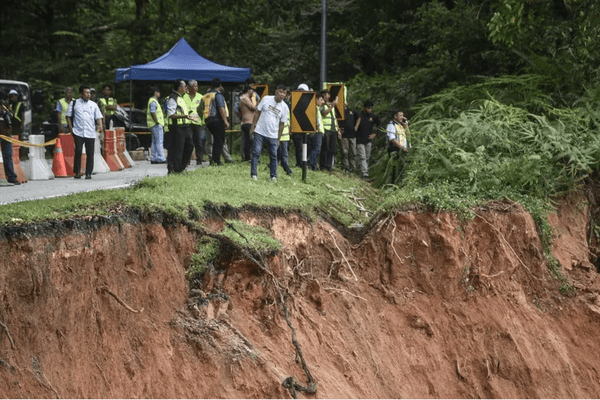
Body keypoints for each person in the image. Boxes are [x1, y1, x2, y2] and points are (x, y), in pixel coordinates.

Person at [250, 84, 289, 182]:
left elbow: (282, 124)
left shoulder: (284, 107)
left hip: (273, 134)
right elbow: (257, 112)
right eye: (280, 92)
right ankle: (254, 174)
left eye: (284, 93)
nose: (282, 95)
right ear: (276, 92)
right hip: (260, 131)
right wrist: (252, 126)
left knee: (273, 155)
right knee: (256, 152)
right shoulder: (266, 99)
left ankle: (273, 176)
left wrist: (279, 139)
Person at [66, 85, 103, 179]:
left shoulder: (93, 104)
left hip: (90, 132)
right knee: (78, 151)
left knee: (90, 153)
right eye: (86, 93)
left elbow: (98, 117)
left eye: (89, 93)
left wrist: (100, 126)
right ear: (81, 94)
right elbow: (68, 116)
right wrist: (70, 128)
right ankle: (77, 172)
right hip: (78, 131)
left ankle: (88, 173)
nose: (88, 95)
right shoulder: (74, 103)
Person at [166, 79, 196, 173]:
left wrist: (188, 116)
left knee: (189, 146)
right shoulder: (172, 98)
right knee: (178, 149)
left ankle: (181, 167)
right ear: (179, 88)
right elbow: (171, 114)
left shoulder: (182, 98)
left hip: (185, 126)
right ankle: (174, 169)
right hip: (177, 127)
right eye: (184, 86)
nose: (186, 88)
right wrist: (185, 116)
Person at [204, 78, 230, 166]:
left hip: (208, 120)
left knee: (215, 140)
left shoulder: (206, 95)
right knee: (219, 140)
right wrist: (225, 121)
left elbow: (200, 109)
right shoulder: (218, 95)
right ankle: (216, 160)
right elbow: (221, 108)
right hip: (217, 120)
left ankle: (213, 159)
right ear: (220, 86)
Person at [355, 100, 380, 180]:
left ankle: (364, 172)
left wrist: (375, 134)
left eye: (371, 108)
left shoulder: (373, 116)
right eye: (368, 108)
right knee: (362, 156)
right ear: (365, 108)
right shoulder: (359, 115)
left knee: (367, 157)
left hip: (368, 139)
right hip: (359, 139)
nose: (370, 110)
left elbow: (380, 126)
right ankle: (364, 173)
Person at [184, 79, 206, 165]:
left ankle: (199, 159)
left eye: (197, 86)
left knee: (199, 142)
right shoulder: (184, 96)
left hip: (197, 122)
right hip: (188, 122)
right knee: (188, 142)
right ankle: (187, 160)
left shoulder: (200, 97)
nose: (197, 87)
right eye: (194, 86)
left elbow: (203, 108)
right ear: (189, 88)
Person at [0, 91, 20, 185]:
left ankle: (11, 177)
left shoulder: (5, 104)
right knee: (7, 156)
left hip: (6, 133)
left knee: (8, 156)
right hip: (3, 132)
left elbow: (10, 116)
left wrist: (6, 113)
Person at [319, 89, 340, 171]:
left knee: (332, 148)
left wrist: (338, 129)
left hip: (333, 129)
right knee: (325, 148)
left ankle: (329, 166)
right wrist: (332, 106)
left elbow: (335, 118)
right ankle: (323, 166)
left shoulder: (331, 105)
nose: (327, 96)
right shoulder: (321, 105)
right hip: (326, 129)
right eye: (326, 94)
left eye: (328, 95)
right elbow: (324, 113)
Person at [146, 86, 167, 164]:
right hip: (156, 125)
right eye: (158, 92)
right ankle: (161, 158)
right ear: (155, 92)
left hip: (152, 125)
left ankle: (154, 158)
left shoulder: (151, 101)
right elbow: (152, 112)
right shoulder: (154, 101)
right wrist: (157, 122)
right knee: (159, 141)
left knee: (154, 142)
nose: (159, 94)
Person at [292, 83, 310, 166]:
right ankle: (300, 163)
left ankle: (304, 162)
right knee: (298, 147)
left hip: (306, 127)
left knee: (305, 146)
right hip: (296, 127)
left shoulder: (309, 101)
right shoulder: (293, 100)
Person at [307, 92, 325, 171]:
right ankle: (309, 163)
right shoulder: (314, 108)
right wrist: (317, 128)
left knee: (315, 149)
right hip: (317, 132)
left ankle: (313, 166)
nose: (323, 102)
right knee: (316, 149)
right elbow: (316, 120)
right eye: (321, 100)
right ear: (316, 99)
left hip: (316, 131)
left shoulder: (316, 108)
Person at [239, 84, 257, 162]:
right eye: (252, 90)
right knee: (249, 141)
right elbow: (254, 108)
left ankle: (247, 157)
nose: (253, 92)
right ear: (248, 90)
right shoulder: (245, 98)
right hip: (248, 122)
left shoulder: (245, 98)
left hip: (246, 122)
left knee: (247, 140)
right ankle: (248, 157)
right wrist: (257, 101)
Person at [340, 102, 358, 173]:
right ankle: (346, 168)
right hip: (344, 135)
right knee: (345, 152)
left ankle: (353, 168)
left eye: (345, 104)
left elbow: (359, 117)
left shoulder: (352, 111)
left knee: (353, 152)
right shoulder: (339, 112)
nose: (344, 105)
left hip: (352, 135)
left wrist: (356, 127)